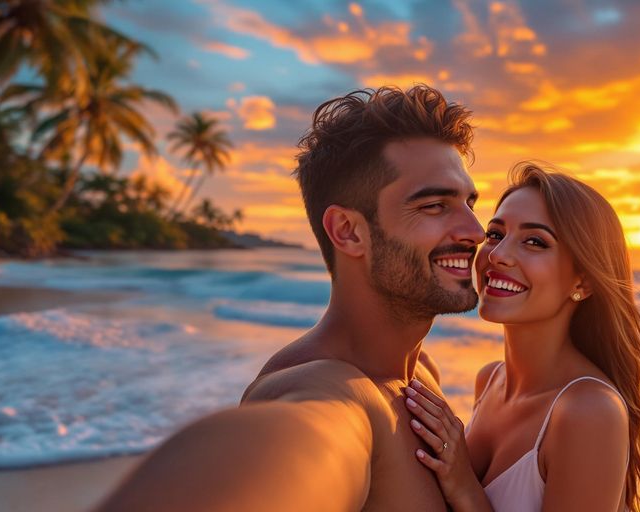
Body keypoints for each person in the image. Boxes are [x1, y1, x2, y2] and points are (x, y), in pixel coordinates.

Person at [96, 85, 484, 511]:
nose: (476, 231)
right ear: (349, 231)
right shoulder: (330, 389)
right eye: (434, 206)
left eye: (469, 202)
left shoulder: (420, 375)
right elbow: (297, 444)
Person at [404, 163, 640, 511]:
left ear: (583, 281)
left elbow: (465, 489)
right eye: (496, 234)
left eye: (534, 241)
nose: (497, 256)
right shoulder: (490, 381)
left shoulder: (588, 411)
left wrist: (464, 486)